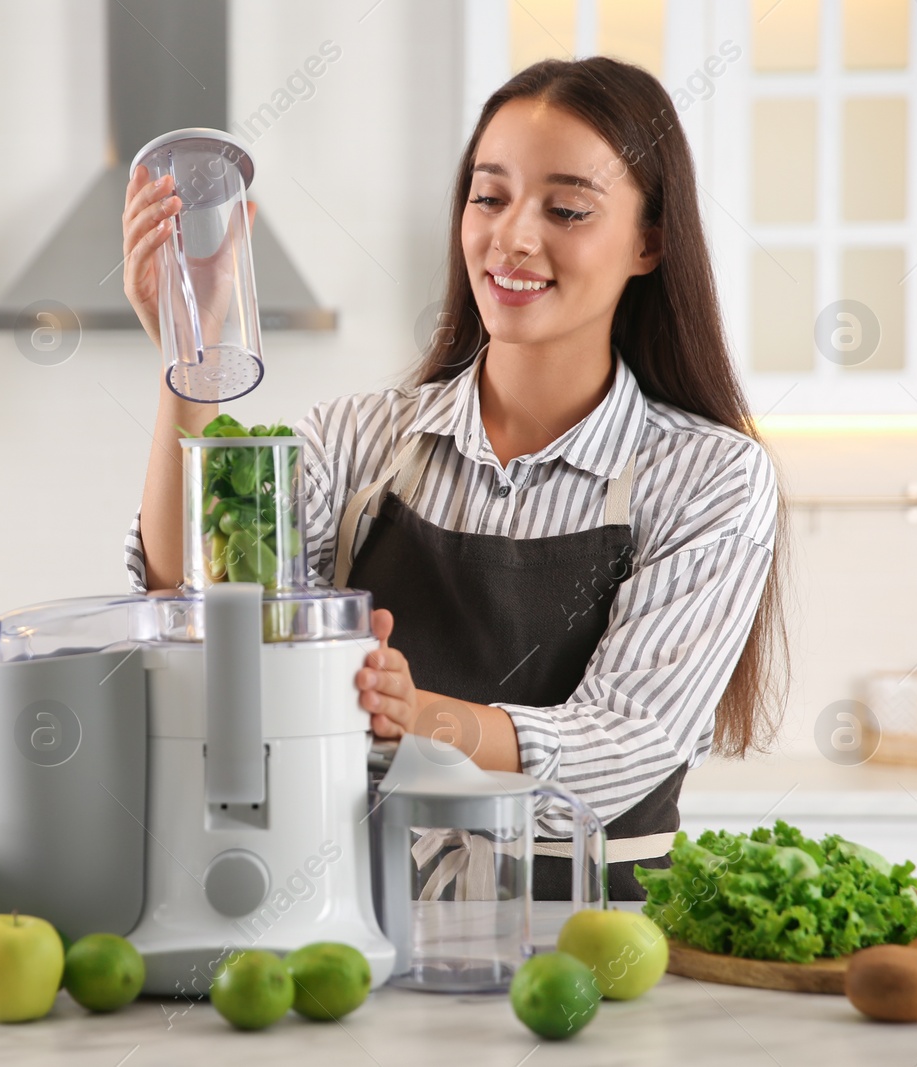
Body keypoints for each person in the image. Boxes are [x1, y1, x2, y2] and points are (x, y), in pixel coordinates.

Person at [119, 57, 786, 901]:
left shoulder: (708, 476)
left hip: (588, 946)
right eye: (489, 195)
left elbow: (627, 742)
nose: (512, 237)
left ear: (650, 241)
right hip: (357, 925)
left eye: (568, 208)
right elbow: (204, 604)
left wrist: (416, 717)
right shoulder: (359, 438)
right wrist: (193, 344)